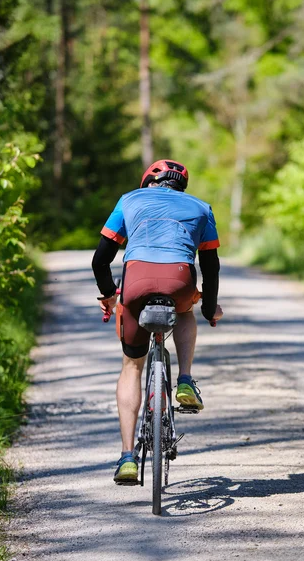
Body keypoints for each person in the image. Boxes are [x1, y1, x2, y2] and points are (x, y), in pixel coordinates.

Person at [92, 159, 224, 485]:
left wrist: (110, 295)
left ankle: (126, 457)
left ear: (149, 181)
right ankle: (185, 379)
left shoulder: (129, 200)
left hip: (135, 281)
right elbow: (211, 265)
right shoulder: (201, 207)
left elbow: (100, 259)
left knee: (131, 367)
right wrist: (208, 308)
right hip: (179, 280)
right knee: (185, 309)